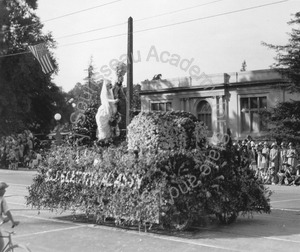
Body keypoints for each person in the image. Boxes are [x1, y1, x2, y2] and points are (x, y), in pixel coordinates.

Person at [0, 182, 19, 251]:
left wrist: (12, 221)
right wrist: (3, 218)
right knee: (1, 243)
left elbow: (6, 211)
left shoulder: (2, 198)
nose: (5, 191)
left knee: (1, 244)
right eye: (3, 189)